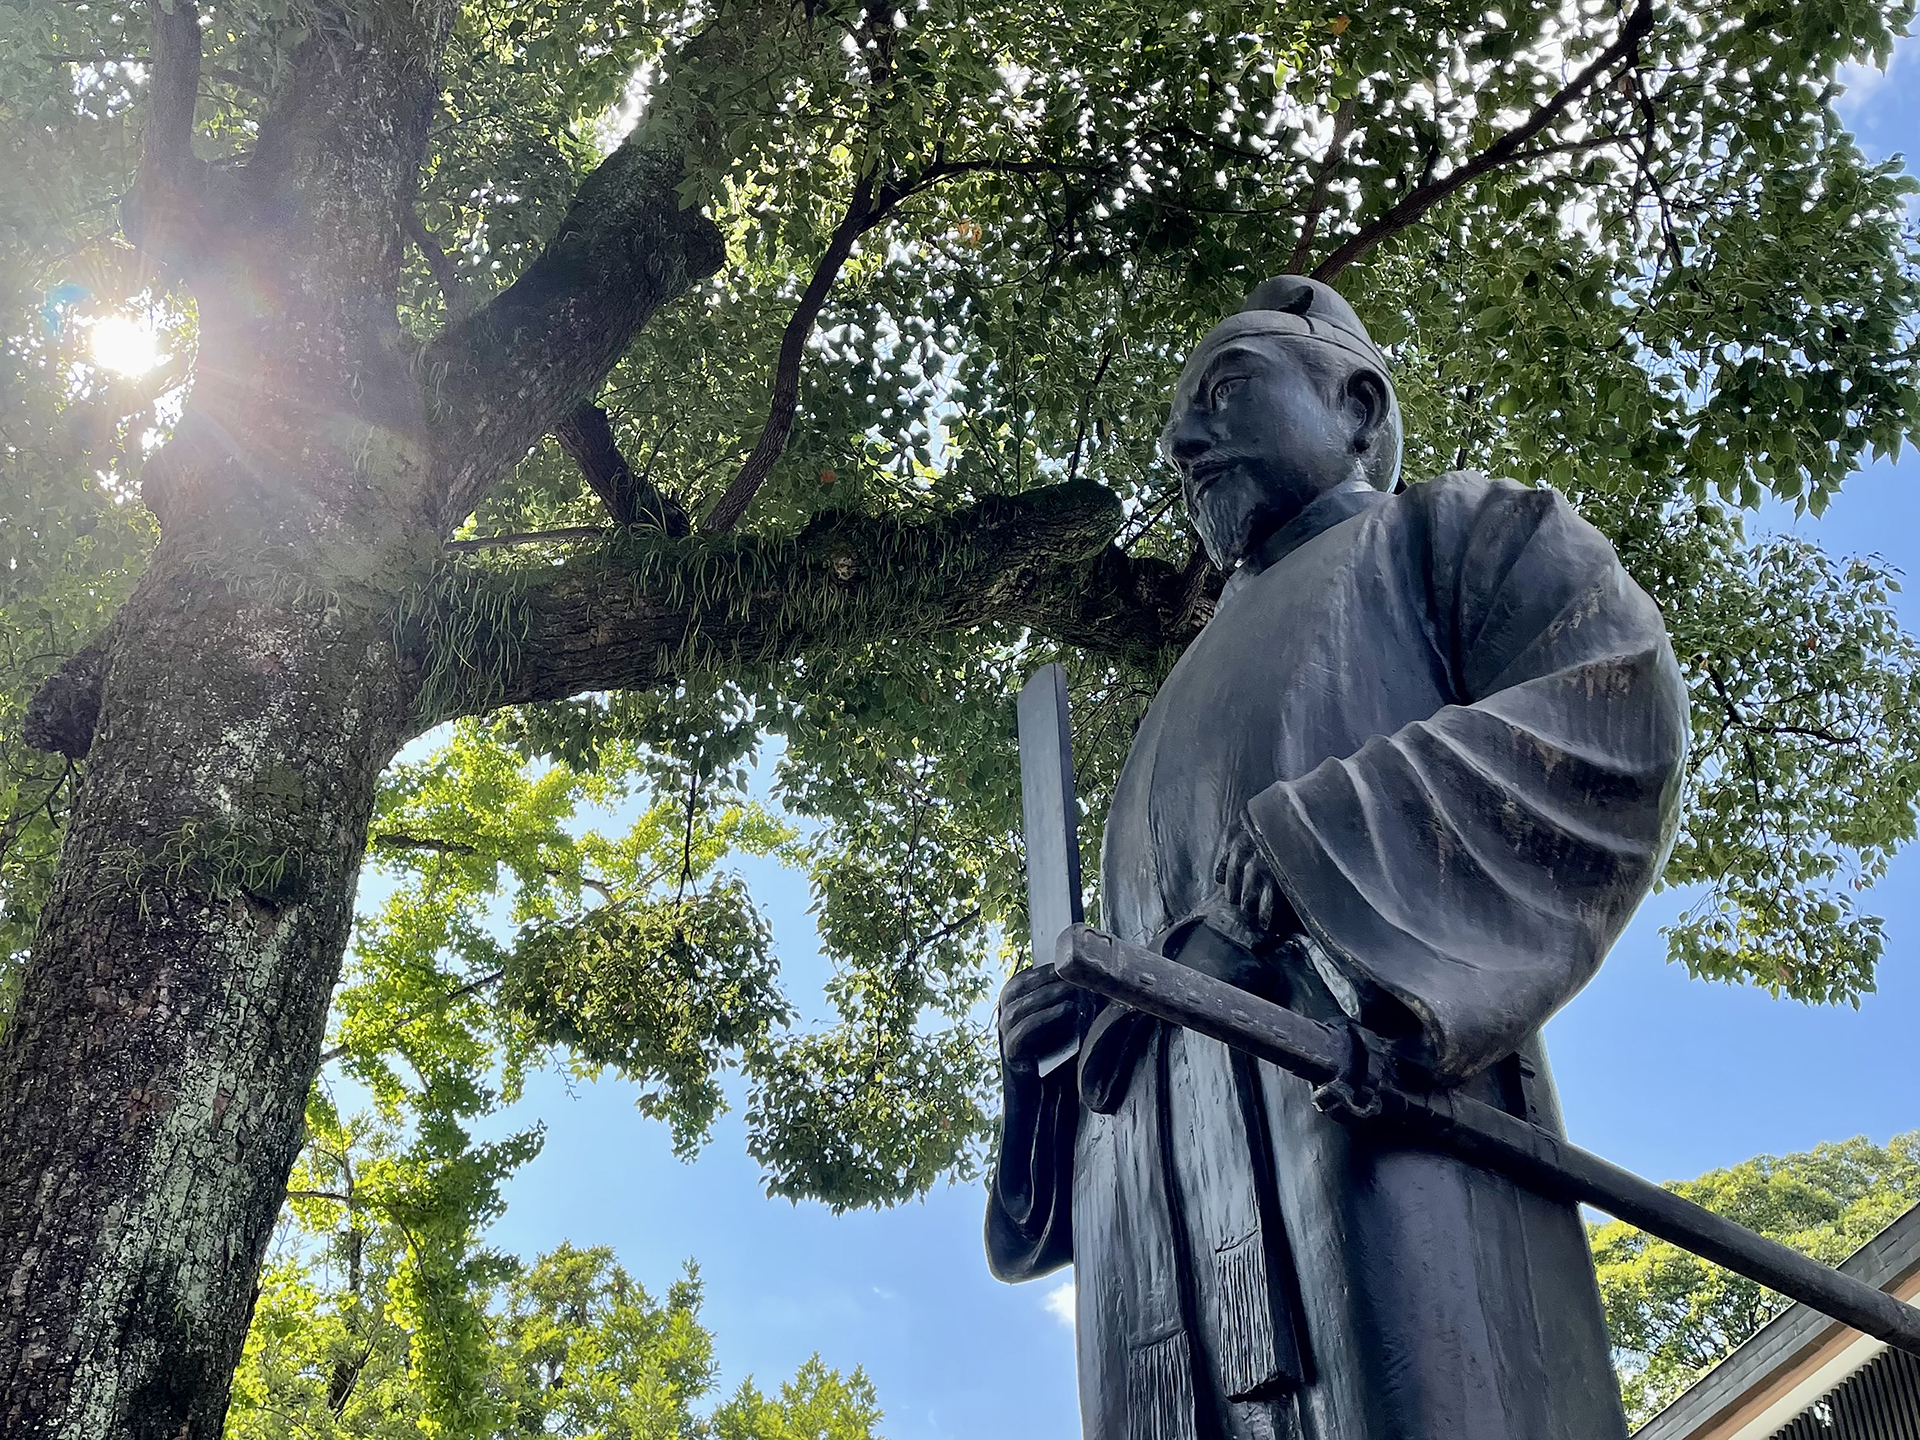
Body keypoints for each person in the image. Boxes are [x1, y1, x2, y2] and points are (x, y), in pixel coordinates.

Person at [986, 276, 1690, 1440]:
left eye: (1224, 391)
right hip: (1157, 1250)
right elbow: (1116, 1052)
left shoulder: (1450, 532)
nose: (1181, 440)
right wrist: (1044, 1065)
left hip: (1359, 1133)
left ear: (1358, 407)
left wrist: (1325, 850)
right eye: (1174, 427)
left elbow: (1612, 699)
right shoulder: (1163, 723)